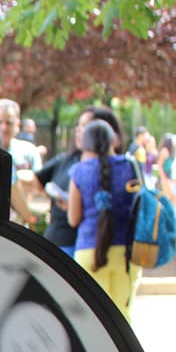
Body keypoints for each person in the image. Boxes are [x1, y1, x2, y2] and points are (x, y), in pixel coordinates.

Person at [67, 118, 141, 320]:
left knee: (92, 320)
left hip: (89, 252)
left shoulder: (79, 172)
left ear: (85, 144)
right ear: (113, 140)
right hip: (126, 253)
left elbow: (73, 219)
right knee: (123, 319)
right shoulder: (130, 166)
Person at [34, 106, 123, 257]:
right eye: (79, 125)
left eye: (85, 125)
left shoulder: (118, 167)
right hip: (59, 243)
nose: (79, 130)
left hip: (95, 248)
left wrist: (75, 205)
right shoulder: (66, 161)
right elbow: (35, 180)